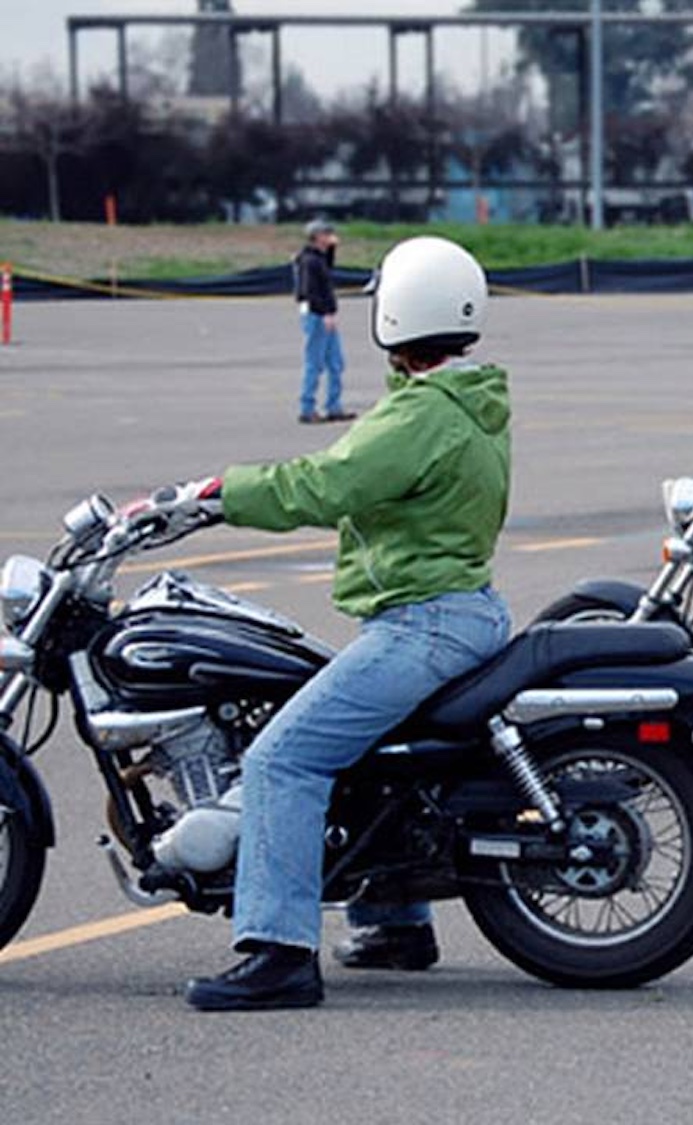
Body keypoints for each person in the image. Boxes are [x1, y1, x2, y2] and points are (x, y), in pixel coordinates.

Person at [177, 236, 513, 1010]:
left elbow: (323, 484)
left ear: (395, 315)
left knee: (280, 761)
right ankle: (395, 921)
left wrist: (219, 493)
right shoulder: (468, 395)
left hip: (424, 622)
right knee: (367, 755)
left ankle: (279, 952)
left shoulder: (423, 415)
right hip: (451, 610)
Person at [292, 219, 355, 425]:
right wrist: (326, 313)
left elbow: (327, 269)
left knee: (335, 362)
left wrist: (332, 249)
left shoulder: (318, 258)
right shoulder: (309, 261)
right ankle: (307, 408)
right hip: (317, 315)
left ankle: (333, 406)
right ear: (318, 236)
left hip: (324, 314)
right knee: (315, 362)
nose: (331, 236)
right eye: (327, 234)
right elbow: (309, 291)